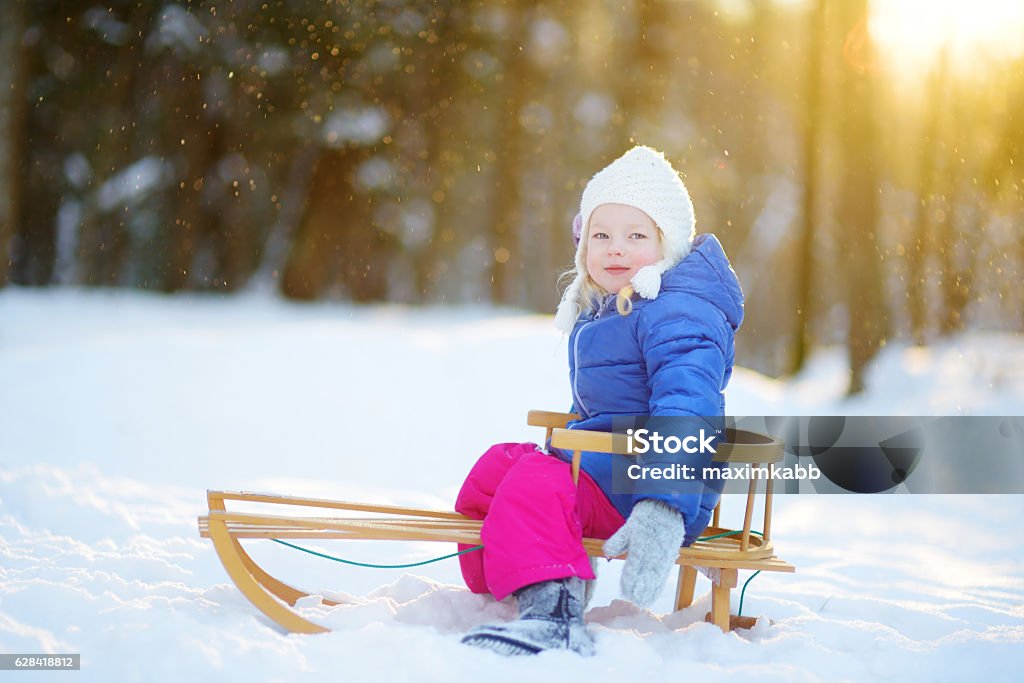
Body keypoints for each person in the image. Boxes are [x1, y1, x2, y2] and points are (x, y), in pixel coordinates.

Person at [455, 145, 744, 656]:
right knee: (501, 467)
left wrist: (663, 506)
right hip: (609, 472)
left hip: (652, 490)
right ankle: (518, 581)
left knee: (537, 481)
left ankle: (555, 615)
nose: (616, 249)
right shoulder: (616, 308)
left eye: (636, 236)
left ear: (667, 245)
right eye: (601, 235)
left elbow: (690, 406)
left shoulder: (678, 312)